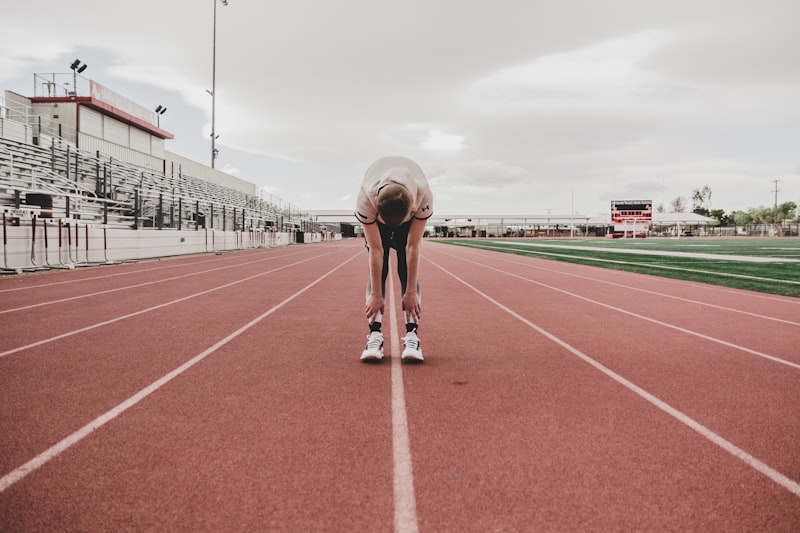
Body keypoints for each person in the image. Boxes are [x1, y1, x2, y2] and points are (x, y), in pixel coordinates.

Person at [355, 156, 433, 362]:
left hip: (407, 222)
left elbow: (413, 247)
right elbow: (376, 249)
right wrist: (376, 295)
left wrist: (410, 292)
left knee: (406, 270)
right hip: (378, 220)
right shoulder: (366, 199)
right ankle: (375, 335)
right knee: (378, 275)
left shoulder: (424, 196)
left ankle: (412, 334)